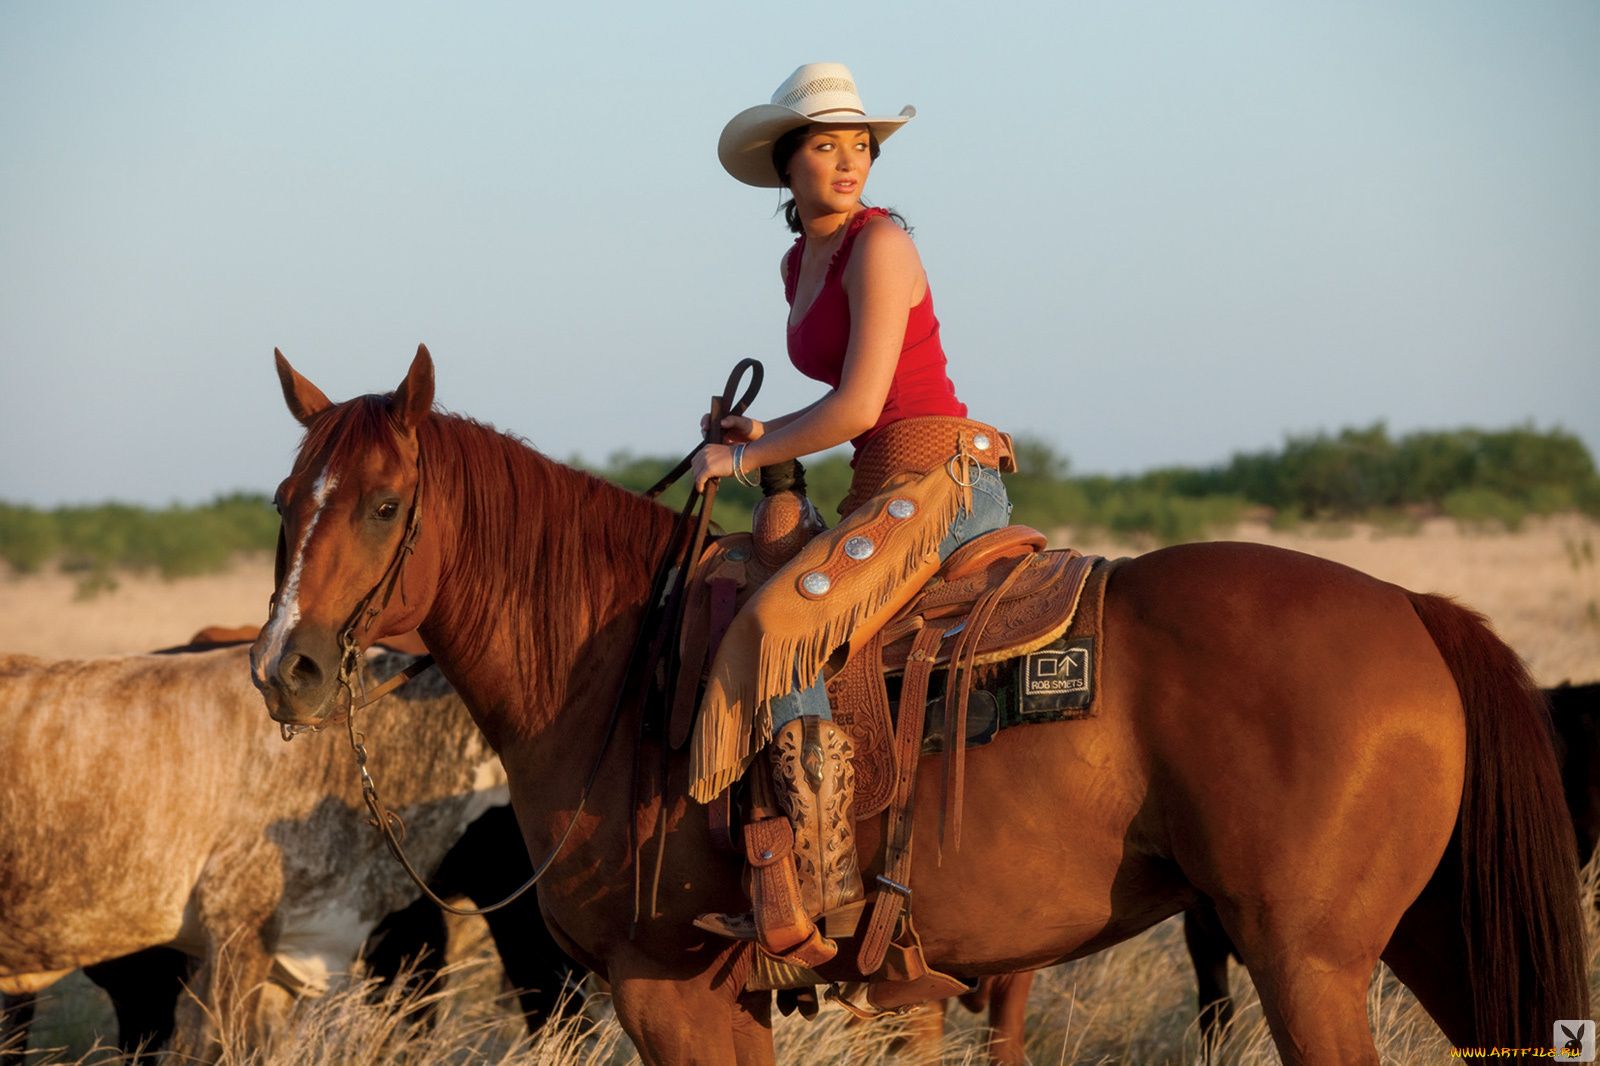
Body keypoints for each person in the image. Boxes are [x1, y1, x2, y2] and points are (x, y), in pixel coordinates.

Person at [687, 63, 1015, 969]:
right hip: (879, 483)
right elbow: (840, 403)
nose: (848, 161)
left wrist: (744, 456)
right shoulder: (800, 259)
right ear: (785, 168)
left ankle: (829, 887)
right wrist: (762, 430)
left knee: (783, 621)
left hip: (940, 475)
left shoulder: (882, 246)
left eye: (859, 145)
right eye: (826, 146)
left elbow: (865, 404)